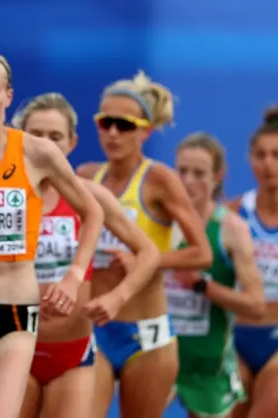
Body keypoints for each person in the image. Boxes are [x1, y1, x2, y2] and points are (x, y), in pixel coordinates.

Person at [0, 50, 105, 418]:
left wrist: (74, 277)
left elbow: (93, 212)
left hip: (13, 310)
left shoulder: (36, 152)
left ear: (8, 96)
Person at [12, 93, 160, 418]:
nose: (47, 145)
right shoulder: (3, 196)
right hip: (12, 349)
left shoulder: (90, 196)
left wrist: (118, 297)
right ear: (19, 138)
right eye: (37, 135)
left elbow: (148, 252)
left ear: (72, 142)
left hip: (73, 352)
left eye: (55, 137)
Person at [77, 70, 213, 418]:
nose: (112, 133)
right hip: (97, 327)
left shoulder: (158, 179)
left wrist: (146, 260)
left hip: (147, 333)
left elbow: (201, 253)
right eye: (104, 122)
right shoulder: (86, 176)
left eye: (123, 125)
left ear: (145, 131)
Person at [167, 132, 265, 418]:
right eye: (182, 171)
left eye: (199, 173)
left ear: (218, 176)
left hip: (207, 365)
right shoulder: (160, 222)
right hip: (160, 356)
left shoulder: (230, 228)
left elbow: (256, 305)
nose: (187, 181)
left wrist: (202, 285)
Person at [228, 107, 278, 418]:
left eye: (276, 154)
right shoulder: (232, 214)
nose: (268, 164)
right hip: (234, 338)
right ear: (249, 159)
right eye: (260, 155)